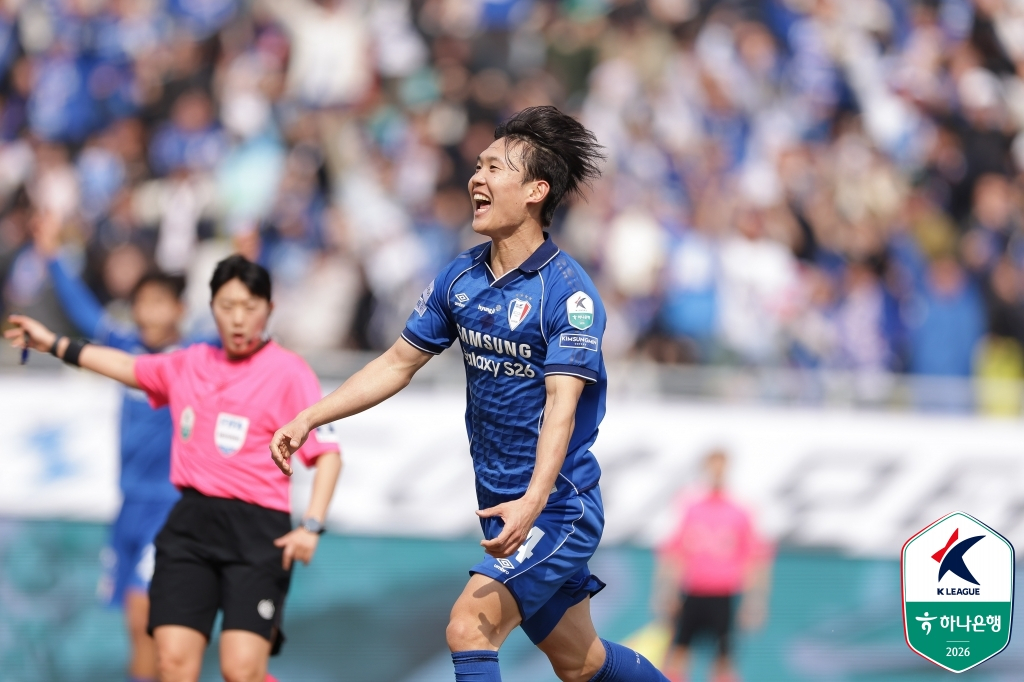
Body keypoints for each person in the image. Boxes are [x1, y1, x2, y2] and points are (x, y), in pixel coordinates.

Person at [270, 106, 669, 682]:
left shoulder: (569, 294)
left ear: (535, 191)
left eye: (494, 168)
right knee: (581, 663)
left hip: (555, 508)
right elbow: (398, 362)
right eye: (477, 166)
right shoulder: (461, 277)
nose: (476, 179)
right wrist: (310, 416)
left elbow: (562, 409)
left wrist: (532, 504)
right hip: (500, 505)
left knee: (468, 627)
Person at [6, 255, 342, 682]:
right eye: (227, 306)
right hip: (190, 526)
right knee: (172, 664)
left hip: (257, 532)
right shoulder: (189, 361)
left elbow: (327, 453)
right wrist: (54, 344)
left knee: (241, 671)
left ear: (269, 309)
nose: (238, 318)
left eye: (250, 306)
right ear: (212, 308)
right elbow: (126, 366)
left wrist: (311, 525)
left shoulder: (290, 372)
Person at [32, 213, 199, 682]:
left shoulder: (193, 358)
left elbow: (242, 329)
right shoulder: (125, 347)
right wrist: (52, 255)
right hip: (127, 504)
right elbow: (83, 313)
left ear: (179, 311)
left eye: (159, 303)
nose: (148, 313)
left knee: (150, 621)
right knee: (135, 628)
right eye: (141, 303)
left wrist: (250, 263)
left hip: (170, 506)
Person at [652, 450, 772, 682]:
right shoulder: (691, 508)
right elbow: (674, 552)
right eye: (712, 468)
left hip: (723, 595)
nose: (716, 474)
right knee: (678, 654)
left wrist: (755, 601)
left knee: (724, 658)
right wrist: (665, 592)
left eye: (720, 468)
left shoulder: (740, 511)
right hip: (693, 592)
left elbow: (756, 558)